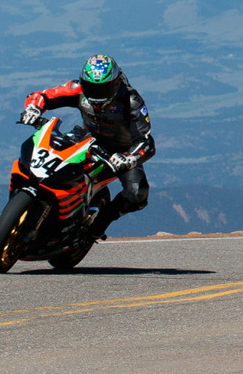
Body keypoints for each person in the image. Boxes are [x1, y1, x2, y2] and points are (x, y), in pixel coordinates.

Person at [21, 54, 155, 239]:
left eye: (104, 88)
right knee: (42, 157)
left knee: (137, 194)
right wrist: (33, 109)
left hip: (119, 153)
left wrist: (129, 157)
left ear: (116, 83)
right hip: (83, 140)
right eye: (91, 87)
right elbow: (43, 96)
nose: (97, 94)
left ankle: (97, 227)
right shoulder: (76, 89)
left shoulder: (131, 101)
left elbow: (146, 142)